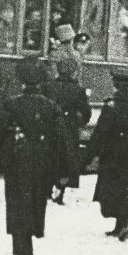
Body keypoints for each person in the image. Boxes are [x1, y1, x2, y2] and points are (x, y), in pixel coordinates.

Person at [0, 57, 78, 255]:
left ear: (21, 81)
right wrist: (64, 172)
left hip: (16, 159)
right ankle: (25, 249)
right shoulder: (51, 106)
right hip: (43, 162)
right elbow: (61, 141)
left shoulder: (11, 104)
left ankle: (23, 251)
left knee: (16, 202)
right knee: (35, 202)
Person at [82, 69, 128, 237]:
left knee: (111, 189)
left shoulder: (111, 106)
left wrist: (86, 158)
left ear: (115, 85)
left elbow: (99, 134)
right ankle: (122, 223)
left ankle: (125, 220)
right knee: (126, 186)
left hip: (112, 154)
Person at [41, 56, 92, 205]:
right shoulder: (78, 90)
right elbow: (86, 113)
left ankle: (46, 190)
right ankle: (61, 191)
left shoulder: (48, 86)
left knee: (50, 158)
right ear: (74, 72)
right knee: (66, 162)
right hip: (69, 129)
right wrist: (79, 122)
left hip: (51, 128)